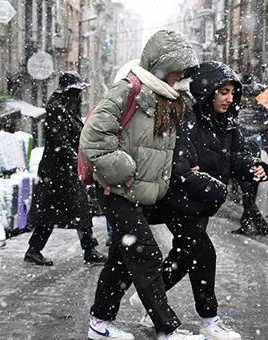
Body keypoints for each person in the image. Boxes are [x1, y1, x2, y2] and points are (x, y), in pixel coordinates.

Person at [131, 61, 268, 340]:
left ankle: (146, 297)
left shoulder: (229, 125)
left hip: (201, 205)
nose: (229, 98)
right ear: (208, 91)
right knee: (204, 253)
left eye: (233, 92)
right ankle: (209, 320)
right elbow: (181, 169)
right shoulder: (188, 119)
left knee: (183, 257)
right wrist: (215, 186)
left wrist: (256, 166)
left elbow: (238, 157)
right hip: (178, 203)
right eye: (223, 92)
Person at [80, 30, 205, 340]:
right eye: (176, 68)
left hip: (134, 192)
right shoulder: (129, 90)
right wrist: (123, 169)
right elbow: (93, 139)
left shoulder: (166, 98)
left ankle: (99, 324)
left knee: (122, 259)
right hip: (116, 189)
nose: (180, 76)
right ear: (161, 66)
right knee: (146, 255)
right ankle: (167, 329)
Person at [24, 71, 107, 266]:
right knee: (58, 213)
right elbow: (60, 143)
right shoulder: (58, 111)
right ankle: (35, 250)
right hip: (57, 174)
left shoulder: (68, 110)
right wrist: (76, 162)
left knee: (75, 211)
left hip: (65, 173)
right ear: (69, 92)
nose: (80, 96)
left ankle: (88, 249)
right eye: (78, 91)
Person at [232, 133, 268, 235]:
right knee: (249, 203)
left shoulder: (252, 150)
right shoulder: (261, 152)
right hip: (253, 180)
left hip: (251, 180)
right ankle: (252, 225)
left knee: (249, 203)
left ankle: (260, 225)